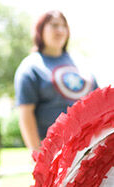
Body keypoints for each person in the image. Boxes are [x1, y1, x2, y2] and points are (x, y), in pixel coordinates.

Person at [15, 10, 98, 154]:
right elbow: (25, 113)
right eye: (54, 25)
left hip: (90, 147)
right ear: (40, 30)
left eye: (63, 26)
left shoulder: (81, 63)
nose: (60, 30)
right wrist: (36, 152)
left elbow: (98, 101)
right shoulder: (31, 67)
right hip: (54, 152)